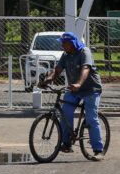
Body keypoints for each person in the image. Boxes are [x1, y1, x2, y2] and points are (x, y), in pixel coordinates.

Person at [38, 31, 104, 160]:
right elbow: (57, 70)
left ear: (72, 43)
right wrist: (47, 80)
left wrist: (79, 83)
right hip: (74, 89)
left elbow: (86, 68)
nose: (62, 46)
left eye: (64, 43)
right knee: (65, 112)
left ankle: (98, 149)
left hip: (91, 89)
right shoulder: (66, 54)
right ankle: (67, 143)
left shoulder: (84, 52)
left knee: (91, 118)